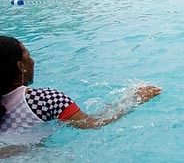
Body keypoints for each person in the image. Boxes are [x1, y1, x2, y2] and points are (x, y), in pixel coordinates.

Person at [0, 36, 160, 151]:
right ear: (21, 66)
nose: (33, 61)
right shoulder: (45, 100)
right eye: (29, 55)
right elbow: (95, 124)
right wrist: (134, 99)